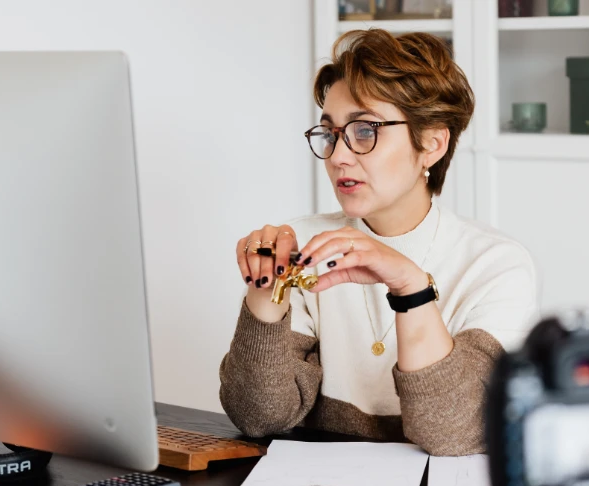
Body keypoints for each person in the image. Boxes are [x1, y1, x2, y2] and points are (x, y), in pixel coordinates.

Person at [220, 28, 539, 457]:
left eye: (365, 130)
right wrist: (264, 293)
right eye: (330, 133)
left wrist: (412, 288)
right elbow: (259, 417)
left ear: (432, 143)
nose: (338, 156)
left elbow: (456, 433)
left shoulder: (496, 265)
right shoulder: (303, 245)